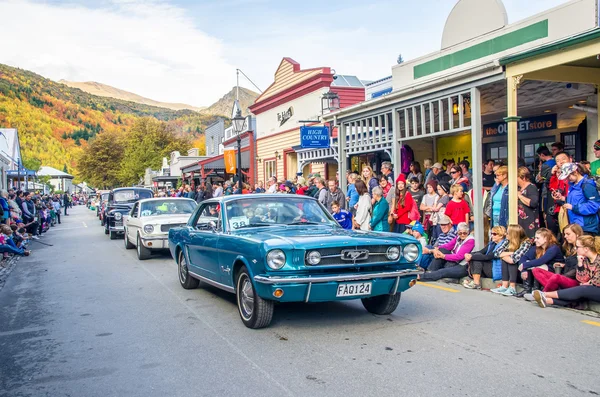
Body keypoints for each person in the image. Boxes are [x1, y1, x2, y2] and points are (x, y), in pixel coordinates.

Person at [533, 235, 600, 308]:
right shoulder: (585, 260)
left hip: (596, 289)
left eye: (577, 247)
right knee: (580, 292)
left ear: (586, 249)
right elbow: (582, 279)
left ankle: (545, 294)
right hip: (589, 288)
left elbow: (597, 282)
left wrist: (588, 283)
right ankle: (547, 300)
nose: (575, 249)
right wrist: (580, 265)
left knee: (583, 289)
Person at [525, 224, 583, 299]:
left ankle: (542, 295)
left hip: (573, 279)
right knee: (536, 270)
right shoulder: (569, 248)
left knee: (556, 277)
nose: (565, 236)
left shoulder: (582, 248)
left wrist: (562, 277)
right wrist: (563, 265)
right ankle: (552, 291)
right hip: (563, 276)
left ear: (577, 234)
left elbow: (578, 268)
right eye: (564, 234)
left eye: (568, 234)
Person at [554, 163, 600, 236]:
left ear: (575, 172)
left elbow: (594, 205)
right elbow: (578, 199)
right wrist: (563, 198)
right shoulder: (573, 185)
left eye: (569, 176)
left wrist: (573, 207)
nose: (567, 179)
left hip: (587, 226)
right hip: (576, 225)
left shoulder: (587, 184)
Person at [516, 228, 564, 298]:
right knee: (529, 263)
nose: (535, 240)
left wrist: (524, 265)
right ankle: (527, 289)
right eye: (535, 238)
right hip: (543, 268)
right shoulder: (537, 247)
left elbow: (541, 261)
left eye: (538, 238)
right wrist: (524, 270)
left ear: (545, 239)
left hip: (555, 270)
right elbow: (524, 257)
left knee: (537, 266)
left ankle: (536, 290)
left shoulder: (554, 248)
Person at [491, 224, 532, 296]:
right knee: (506, 259)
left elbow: (514, 259)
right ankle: (504, 286)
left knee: (510, 261)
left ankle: (512, 288)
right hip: (512, 267)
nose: (505, 234)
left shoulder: (526, 242)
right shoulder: (508, 240)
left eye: (507, 233)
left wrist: (504, 254)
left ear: (513, 234)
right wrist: (511, 253)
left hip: (522, 269)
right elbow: (496, 253)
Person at [516, 166, 539, 238]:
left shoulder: (531, 187)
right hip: (521, 221)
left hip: (529, 221)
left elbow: (533, 203)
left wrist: (520, 196)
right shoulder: (519, 188)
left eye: (517, 178)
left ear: (523, 177)